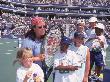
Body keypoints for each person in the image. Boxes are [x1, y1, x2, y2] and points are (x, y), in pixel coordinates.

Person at [21, 17, 47, 81]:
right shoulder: (28, 42)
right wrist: (38, 58)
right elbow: (24, 60)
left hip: (41, 72)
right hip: (30, 73)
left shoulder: (44, 39)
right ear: (34, 28)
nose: (43, 28)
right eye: (40, 27)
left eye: (44, 26)